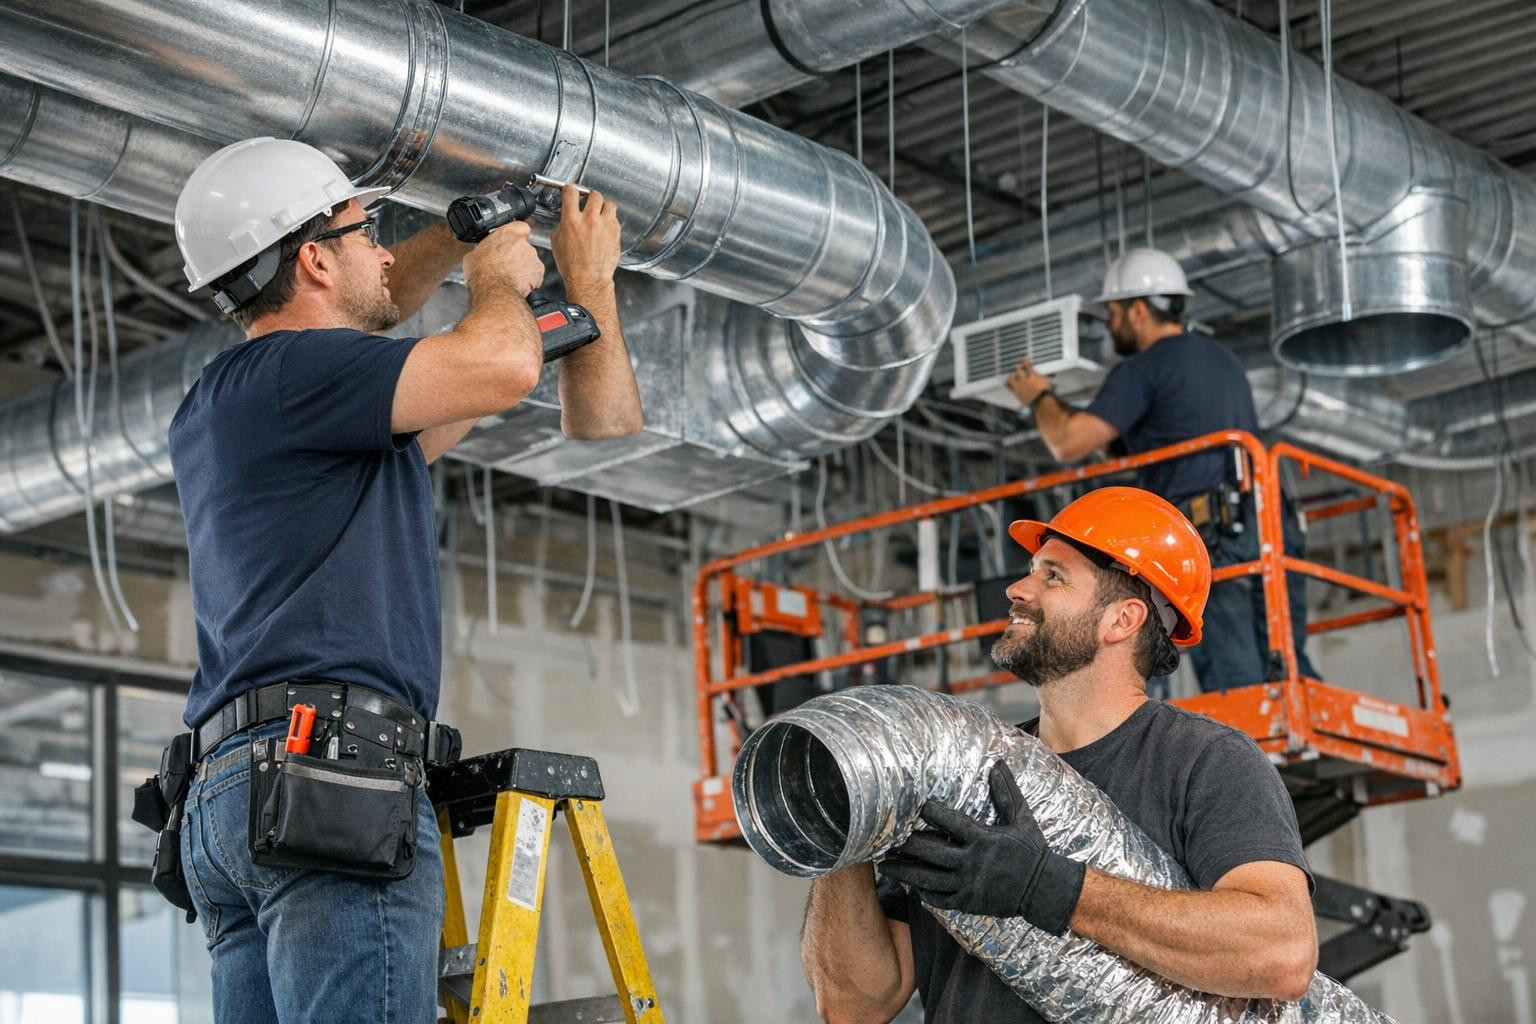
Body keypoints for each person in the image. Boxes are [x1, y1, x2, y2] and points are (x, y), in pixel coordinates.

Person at [165, 137, 643, 1023]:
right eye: (365, 232)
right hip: (326, 780)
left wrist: (501, 250)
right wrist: (498, 275)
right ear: (312, 259)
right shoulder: (298, 375)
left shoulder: (253, 404)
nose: (387, 250)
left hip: (239, 792)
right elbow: (499, 365)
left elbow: (597, 415)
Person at [799, 487, 1317, 1024]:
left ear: (1123, 620)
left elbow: (1280, 954)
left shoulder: (1204, 761)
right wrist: (845, 826)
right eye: (1031, 571)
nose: (1018, 590)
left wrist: (1052, 886)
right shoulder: (962, 773)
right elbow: (852, 1006)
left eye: (1053, 576)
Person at [1004, 247, 1317, 694]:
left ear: (1137, 310)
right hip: (1270, 521)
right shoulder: (1219, 360)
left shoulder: (1146, 367)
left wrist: (1040, 397)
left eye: (1113, 313)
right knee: (1283, 655)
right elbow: (1120, 441)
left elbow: (1069, 442)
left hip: (1218, 534)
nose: (1111, 325)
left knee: (1237, 673)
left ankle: (1247, 755)